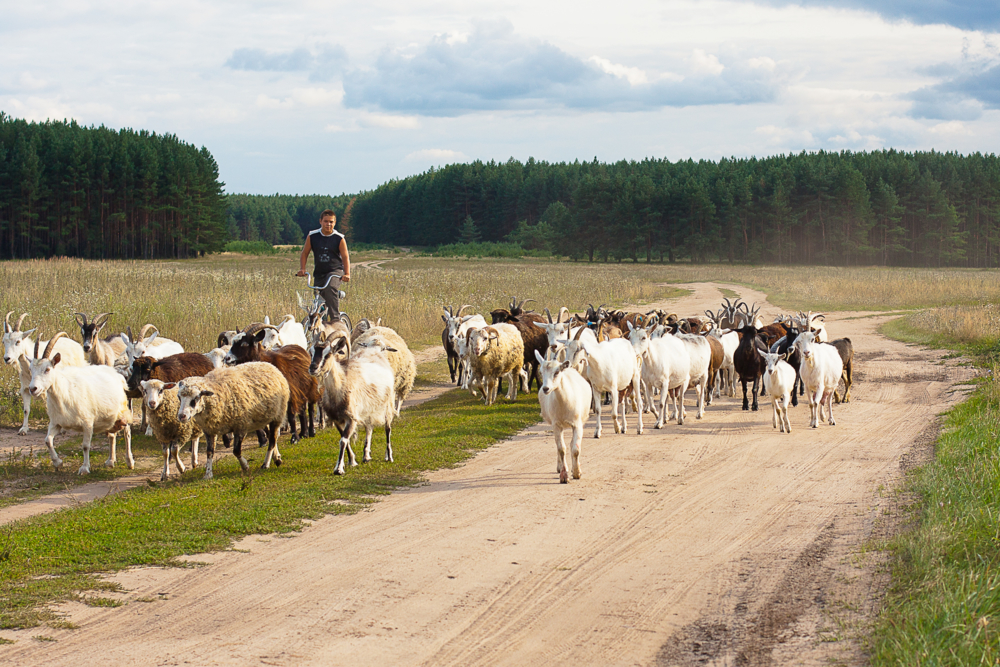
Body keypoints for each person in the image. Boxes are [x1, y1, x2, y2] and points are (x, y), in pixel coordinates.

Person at [297, 209, 350, 321]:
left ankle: (336, 320)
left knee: (330, 288)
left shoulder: (339, 238)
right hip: (319, 273)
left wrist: (347, 274)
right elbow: (304, 253)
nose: (328, 224)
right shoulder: (313, 236)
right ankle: (321, 326)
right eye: (326, 221)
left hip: (335, 272)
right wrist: (302, 269)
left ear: (335, 223)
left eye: (331, 222)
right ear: (320, 221)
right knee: (319, 300)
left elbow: (345, 257)